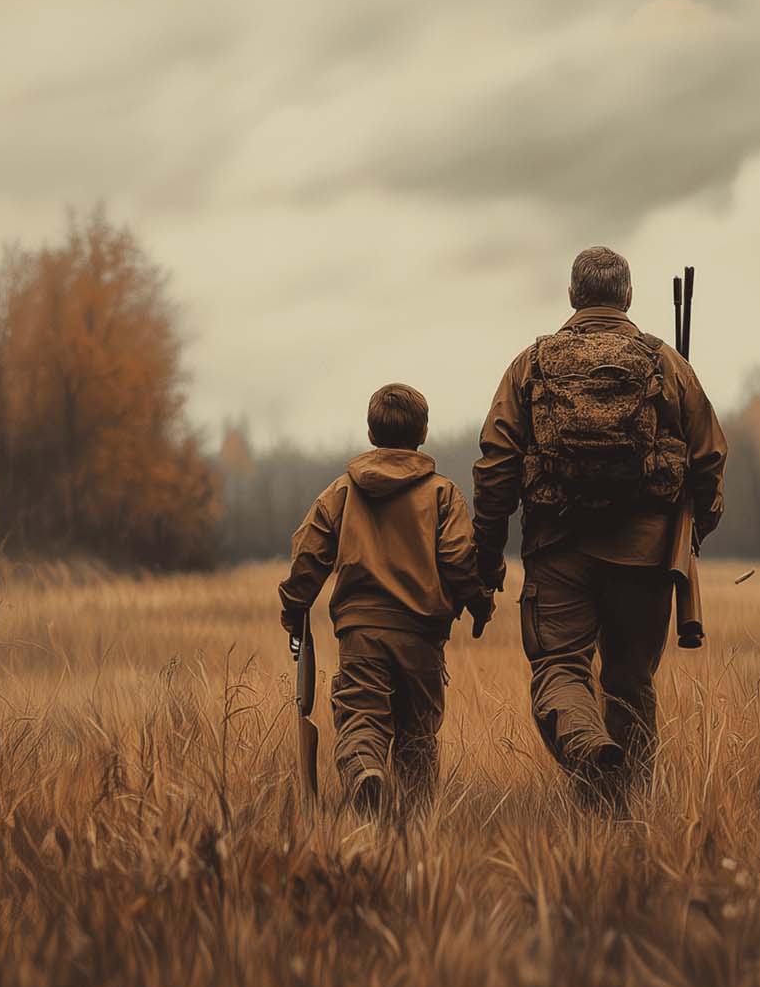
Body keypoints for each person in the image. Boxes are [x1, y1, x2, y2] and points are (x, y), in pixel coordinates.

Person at [472, 246, 726, 803]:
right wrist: (693, 530)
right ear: (628, 296)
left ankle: (587, 748)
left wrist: (487, 553)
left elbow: (495, 463)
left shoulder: (532, 363)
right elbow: (708, 455)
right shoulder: (665, 361)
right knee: (632, 686)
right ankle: (628, 817)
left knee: (559, 670)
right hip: (646, 554)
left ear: (572, 296)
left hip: (557, 548)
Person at [279, 383, 494, 815]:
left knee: (361, 717)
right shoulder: (441, 493)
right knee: (417, 733)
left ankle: (365, 774)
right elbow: (457, 558)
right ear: (424, 432)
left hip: (361, 632)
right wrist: (478, 601)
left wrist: (294, 611)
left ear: (371, 433)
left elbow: (308, 555)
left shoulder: (342, 491)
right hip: (421, 634)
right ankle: (414, 826)